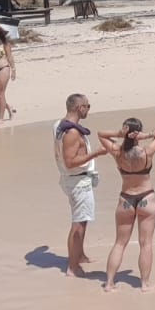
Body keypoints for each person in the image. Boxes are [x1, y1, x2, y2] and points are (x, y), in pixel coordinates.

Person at [98, 117, 155, 292]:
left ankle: (109, 283)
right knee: (146, 243)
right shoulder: (147, 152)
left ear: (125, 132)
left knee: (120, 243)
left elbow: (100, 135)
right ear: (138, 133)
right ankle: (144, 284)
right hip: (146, 197)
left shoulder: (117, 152)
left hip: (126, 199)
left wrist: (119, 134)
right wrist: (146, 136)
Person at [54, 94, 108, 277]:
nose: (89, 109)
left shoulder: (59, 125)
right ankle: (72, 266)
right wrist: (96, 154)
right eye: (87, 106)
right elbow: (70, 161)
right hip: (78, 181)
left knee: (82, 220)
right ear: (79, 108)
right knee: (78, 225)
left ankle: (80, 255)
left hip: (74, 180)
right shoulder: (72, 133)